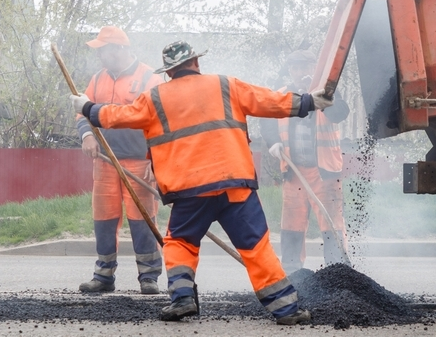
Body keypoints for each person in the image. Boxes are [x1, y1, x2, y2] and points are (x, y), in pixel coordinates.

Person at [71, 41, 332, 325]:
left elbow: (118, 116)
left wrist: (87, 108)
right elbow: (268, 101)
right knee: (256, 247)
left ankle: (182, 298)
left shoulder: (154, 97)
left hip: (189, 190)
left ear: (169, 72)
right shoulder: (226, 85)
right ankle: (287, 310)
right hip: (235, 185)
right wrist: (309, 101)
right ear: (196, 62)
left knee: (179, 243)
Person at [75, 26, 163, 295]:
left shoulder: (149, 78)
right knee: (104, 218)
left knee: (142, 219)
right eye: (99, 50)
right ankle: (103, 275)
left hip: (138, 162)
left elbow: (161, 123)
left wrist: (155, 161)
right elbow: (83, 113)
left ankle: (148, 276)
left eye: (104, 50)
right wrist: (87, 136)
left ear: (121, 49)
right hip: (104, 161)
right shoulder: (98, 79)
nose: (100, 55)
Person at [260, 49, 350, 274]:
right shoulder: (282, 95)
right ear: (291, 71)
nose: (301, 72)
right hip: (294, 171)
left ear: (314, 69)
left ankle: (337, 269)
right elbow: (267, 119)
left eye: (306, 67)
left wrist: (326, 95)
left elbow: (340, 114)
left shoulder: (326, 93)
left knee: (331, 221)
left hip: (324, 172)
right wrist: (273, 142)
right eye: (297, 68)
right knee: (292, 221)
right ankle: (292, 270)